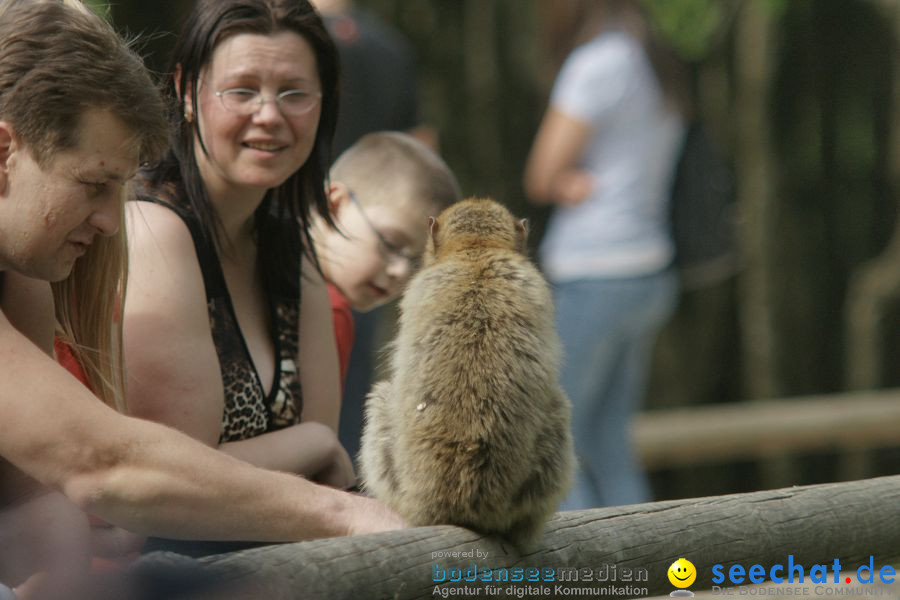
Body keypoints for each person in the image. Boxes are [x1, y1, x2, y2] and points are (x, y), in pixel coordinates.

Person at [0, 0, 402, 595]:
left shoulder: (25, 273)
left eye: (295, 92)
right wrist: (347, 513)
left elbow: (34, 512)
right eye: (93, 184)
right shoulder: (155, 230)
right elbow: (103, 465)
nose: (114, 221)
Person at [120, 0, 363, 554]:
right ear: (186, 92)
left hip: (272, 561)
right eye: (242, 89)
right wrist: (315, 441)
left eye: (295, 93)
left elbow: (318, 475)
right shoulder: (154, 231)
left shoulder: (290, 247)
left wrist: (317, 445)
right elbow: (181, 476)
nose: (271, 115)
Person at [523, 0, 687, 509]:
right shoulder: (655, 58)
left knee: (547, 435)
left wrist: (568, 182)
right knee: (607, 439)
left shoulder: (595, 64)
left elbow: (541, 174)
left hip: (594, 270)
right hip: (650, 270)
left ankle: (586, 572)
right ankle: (646, 574)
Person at [311, 131, 461, 382]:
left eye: (416, 262)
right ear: (334, 206)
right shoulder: (328, 315)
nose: (400, 271)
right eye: (391, 244)